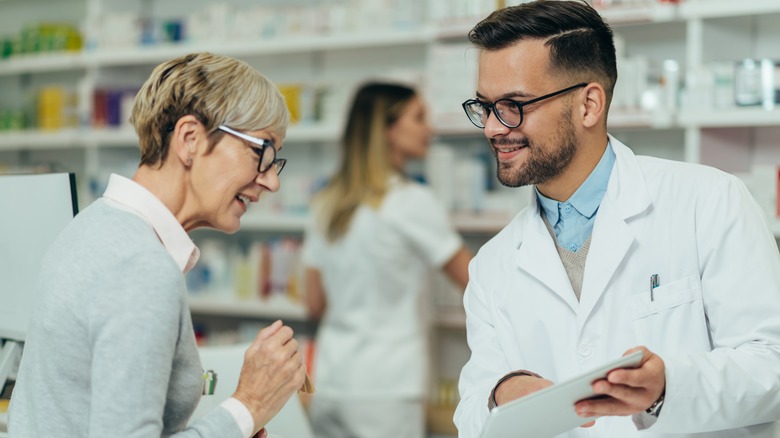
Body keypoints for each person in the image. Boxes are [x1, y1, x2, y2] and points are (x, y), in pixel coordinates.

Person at [454, 1, 780, 437]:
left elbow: (771, 364)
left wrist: (667, 387)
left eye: (513, 105)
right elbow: (472, 414)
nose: (493, 128)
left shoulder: (708, 201)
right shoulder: (492, 264)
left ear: (589, 104)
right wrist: (501, 394)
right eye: (485, 106)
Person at [9, 52, 307, 438]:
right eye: (261, 152)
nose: (272, 182)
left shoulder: (94, 226)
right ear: (190, 139)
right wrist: (247, 407)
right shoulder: (141, 267)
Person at [302, 82, 472, 438]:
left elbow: (314, 304)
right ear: (387, 130)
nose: (430, 128)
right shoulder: (411, 201)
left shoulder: (326, 203)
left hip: (331, 382)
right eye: (419, 117)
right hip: (387, 389)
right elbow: (475, 282)